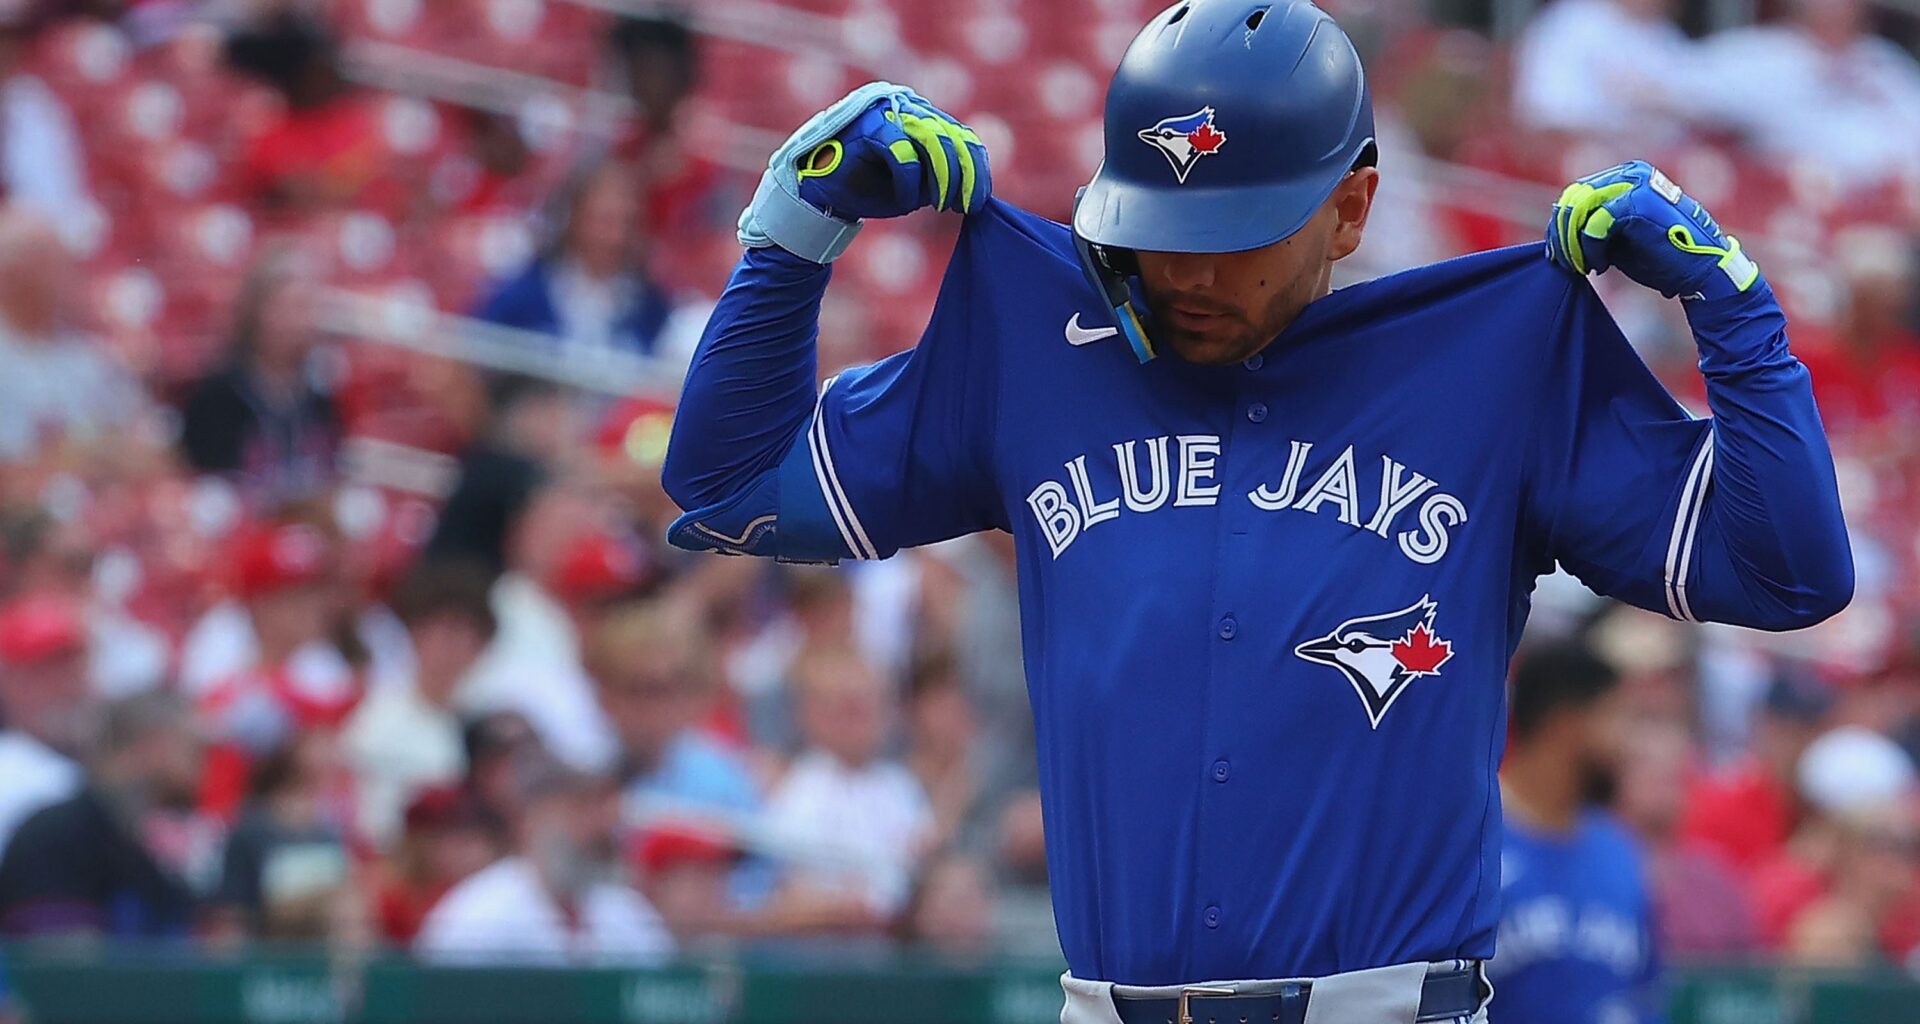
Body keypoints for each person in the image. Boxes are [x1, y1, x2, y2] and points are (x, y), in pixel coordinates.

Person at [657, 1, 1854, 1018]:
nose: (1187, 271)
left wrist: (1733, 306)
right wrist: (794, 230)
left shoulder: (1494, 367)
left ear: (1352, 206)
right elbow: (729, 488)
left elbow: (1786, 572)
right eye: (1158, 229)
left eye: (1235, 238)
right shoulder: (1039, 344)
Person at [1489, 643, 1662, 1023]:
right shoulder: (1471, 844)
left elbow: (1645, 995)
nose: (1629, 745)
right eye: (1617, 718)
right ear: (1566, 725)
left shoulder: (1620, 852)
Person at [413, 758, 673, 965]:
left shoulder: (626, 912)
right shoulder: (479, 915)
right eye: (579, 809)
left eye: (603, 811)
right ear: (529, 821)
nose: (598, 827)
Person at [0, 692, 203, 939]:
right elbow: (58, 956)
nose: (202, 760)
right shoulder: (57, 835)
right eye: (193, 746)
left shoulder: (147, 842)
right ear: (155, 746)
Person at [763, 646, 931, 920]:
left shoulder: (902, 787)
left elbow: (917, 869)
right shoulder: (798, 789)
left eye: (869, 707)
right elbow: (787, 884)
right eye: (846, 709)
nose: (857, 722)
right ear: (812, 715)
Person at [340, 560, 497, 848]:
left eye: (472, 637)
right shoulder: (377, 717)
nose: (457, 648)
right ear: (415, 634)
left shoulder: (489, 718)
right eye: (448, 633)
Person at [1697, 0, 1920, 188]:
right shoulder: (1755, 53)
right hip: (1799, 195)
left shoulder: (1883, 58)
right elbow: (1686, 96)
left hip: (1892, 199)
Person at [178, 249, 342, 501]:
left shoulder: (322, 395)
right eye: (295, 307)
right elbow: (203, 488)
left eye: (310, 307)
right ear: (260, 312)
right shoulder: (218, 396)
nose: (306, 321)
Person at [473, 160, 675, 359]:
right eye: (605, 221)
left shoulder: (651, 306)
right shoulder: (524, 295)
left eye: (628, 223)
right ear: (574, 218)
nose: (616, 238)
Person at [0, 208, 151, 463]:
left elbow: (145, 448)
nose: (61, 278)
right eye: (47, 265)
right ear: (12, 274)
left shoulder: (90, 357)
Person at [1512, 0, 1703, 147]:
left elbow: (1694, 108)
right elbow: (1548, 113)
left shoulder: (1665, 34)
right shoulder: (1571, 22)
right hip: (1579, 151)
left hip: (1660, 154)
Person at [0, 595, 89, 857]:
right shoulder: (10, 771)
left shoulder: (105, 756)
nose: (68, 687)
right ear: (9, 682)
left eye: (71, 668)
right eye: (45, 673)